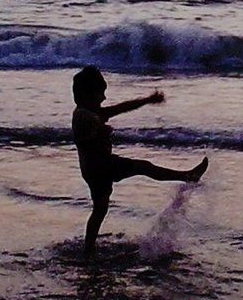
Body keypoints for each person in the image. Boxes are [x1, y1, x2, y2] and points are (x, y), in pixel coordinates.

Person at [71, 65, 208, 256]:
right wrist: (97, 132)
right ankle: (187, 176)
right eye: (100, 94)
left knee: (100, 210)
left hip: (94, 169)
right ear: (86, 95)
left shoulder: (93, 111)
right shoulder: (83, 115)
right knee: (144, 167)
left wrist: (146, 100)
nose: (103, 98)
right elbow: (79, 139)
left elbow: (121, 108)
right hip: (102, 167)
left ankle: (88, 249)